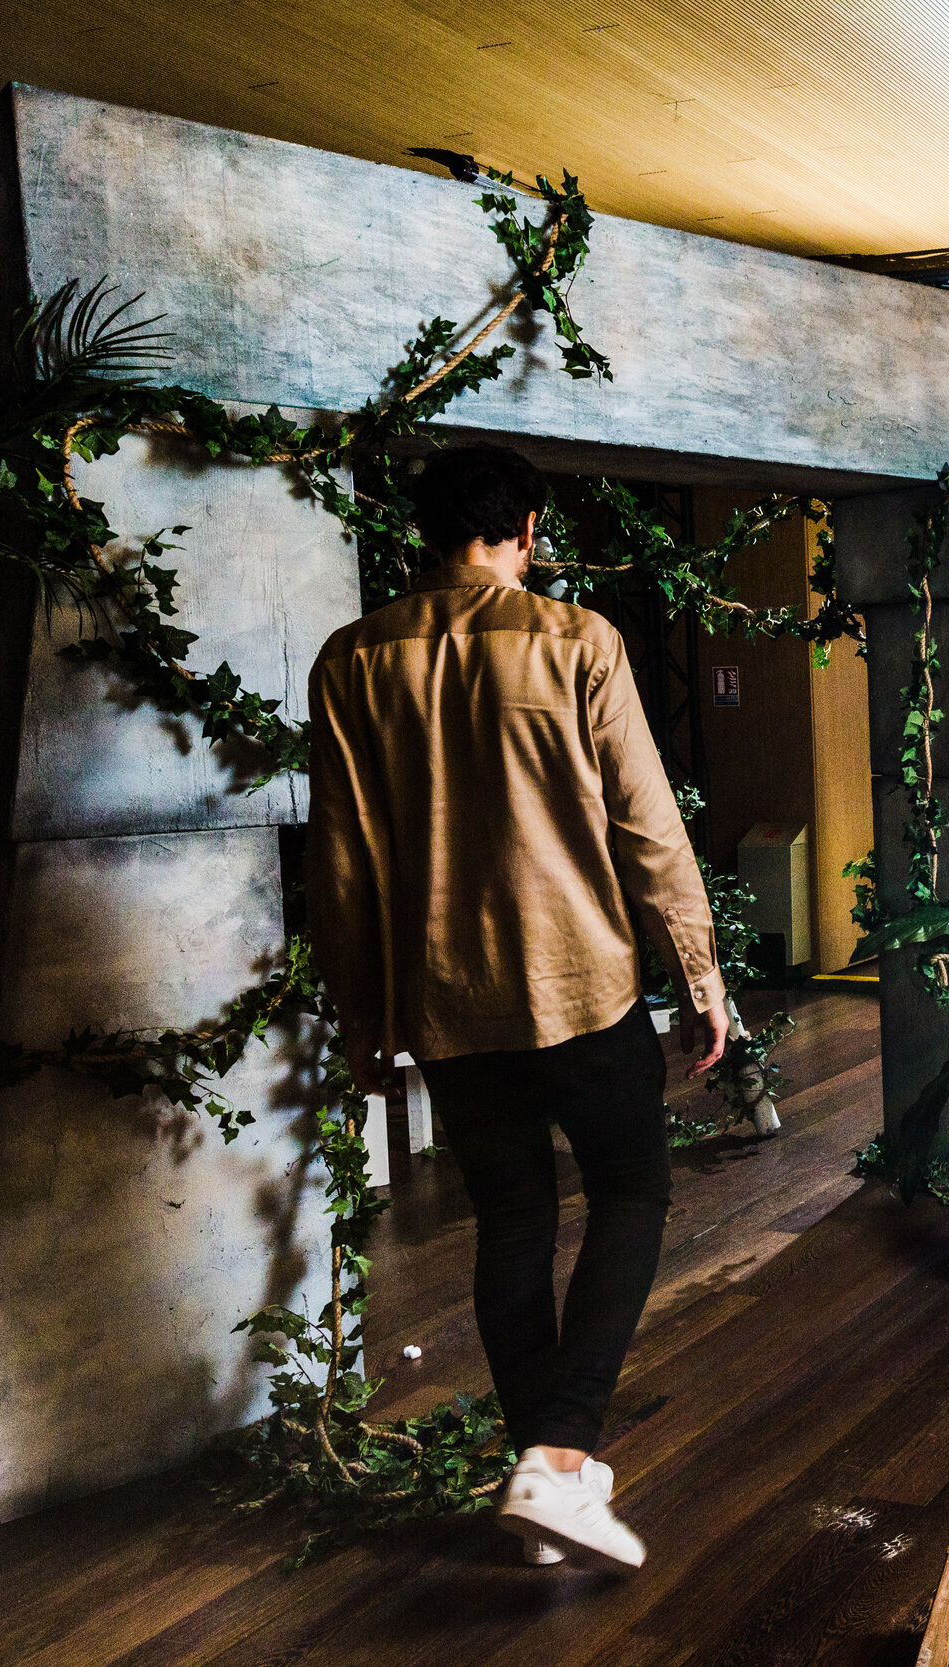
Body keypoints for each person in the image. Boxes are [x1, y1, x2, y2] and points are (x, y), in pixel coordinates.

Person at [306, 444, 729, 1572]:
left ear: (422, 530)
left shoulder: (351, 660)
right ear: (528, 530)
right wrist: (700, 975)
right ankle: (557, 1454)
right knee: (632, 1191)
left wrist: (362, 1020)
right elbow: (647, 826)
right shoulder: (579, 641)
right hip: (581, 984)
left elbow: (340, 866)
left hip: (448, 1002)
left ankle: (548, 1492)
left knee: (513, 1222)